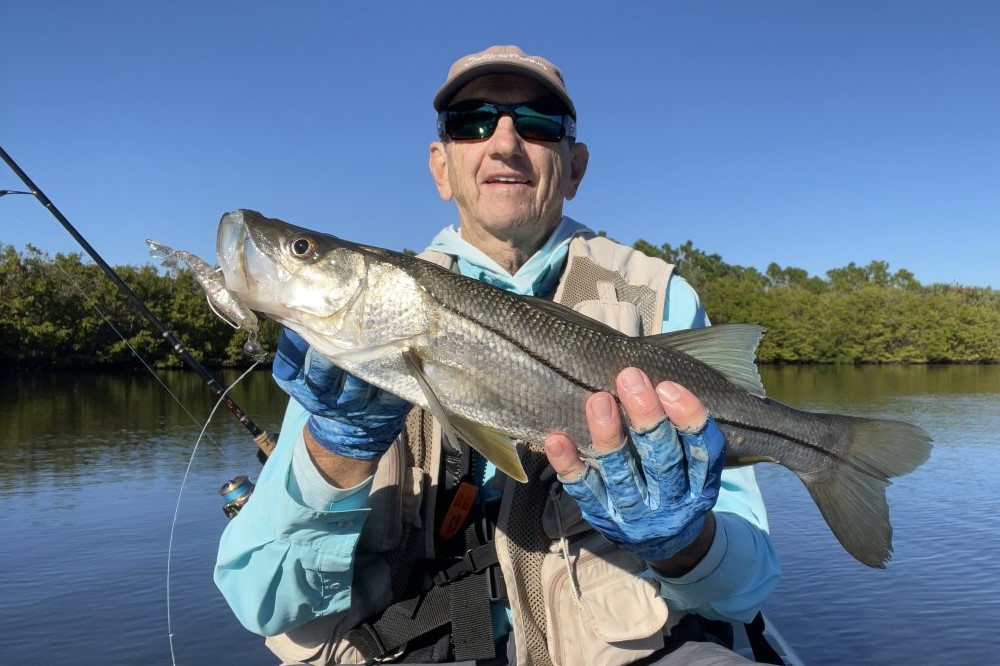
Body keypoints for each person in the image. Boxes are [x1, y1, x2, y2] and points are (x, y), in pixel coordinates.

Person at [215, 45, 781, 666]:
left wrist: (681, 542)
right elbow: (260, 600)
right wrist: (334, 456)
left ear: (575, 167)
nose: (505, 141)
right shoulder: (346, 344)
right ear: (440, 166)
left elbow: (746, 590)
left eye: (538, 123)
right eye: (471, 121)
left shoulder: (658, 297)